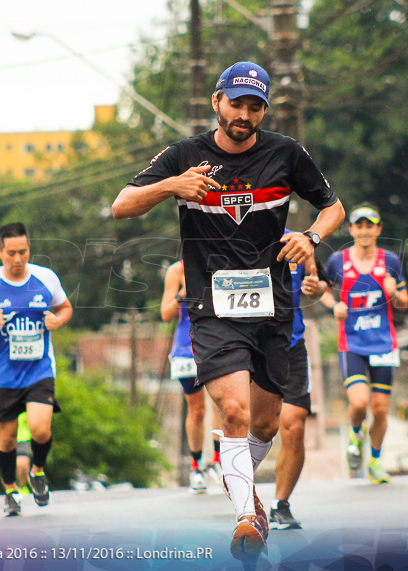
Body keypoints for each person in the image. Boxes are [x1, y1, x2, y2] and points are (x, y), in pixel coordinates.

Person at [112, 60, 344, 559]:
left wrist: (310, 236)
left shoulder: (286, 153)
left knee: (265, 424)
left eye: (254, 106)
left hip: (273, 303)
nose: (244, 113)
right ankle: (245, 513)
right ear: (217, 101)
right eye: (236, 103)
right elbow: (122, 204)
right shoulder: (185, 155)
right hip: (211, 303)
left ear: (263, 110)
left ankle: (245, 491)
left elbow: (333, 206)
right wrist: (170, 187)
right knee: (233, 411)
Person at [0, 222, 73, 517]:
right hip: (5, 374)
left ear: (29, 250)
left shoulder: (45, 278)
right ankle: (11, 490)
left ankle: (38, 472)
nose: (17, 259)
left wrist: (58, 320)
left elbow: (65, 308)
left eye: (23, 252)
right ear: (0, 251)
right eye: (11, 253)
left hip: (40, 368)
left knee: (41, 430)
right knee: (7, 439)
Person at [319, 203, 408, 484]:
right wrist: (334, 305)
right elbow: (321, 290)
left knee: (381, 409)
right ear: (351, 230)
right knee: (359, 403)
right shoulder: (338, 261)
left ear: (378, 229)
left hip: (383, 343)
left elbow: (405, 303)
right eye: (359, 226)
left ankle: (376, 461)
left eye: (370, 225)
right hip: (352, 343)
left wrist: (394, 292)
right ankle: (355, 435)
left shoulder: (391, 261)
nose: (365, 231)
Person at [270, 255, 329, 530]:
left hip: (292, 346)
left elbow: (320, 285)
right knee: (257, 426)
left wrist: (315, 287)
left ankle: (280, 504)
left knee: (294, 426)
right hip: (248, 347)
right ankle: (245, 501)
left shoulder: (300, 244)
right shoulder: (236, 236)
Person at [160, 260, 223, 494]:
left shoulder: (221, 261)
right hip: (187, 348)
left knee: (222, 404)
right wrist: (181, 295)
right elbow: (165, 314)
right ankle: (196, 467)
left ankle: (217, 461)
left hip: (218, 344)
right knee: (197, 410)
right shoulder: (177, 271)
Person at [0, 405, 32, 497]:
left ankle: (22, 486)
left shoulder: (23, 393)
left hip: (21, 437)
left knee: (22, 463)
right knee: (6, 466)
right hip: (2, 438)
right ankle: (11, 490)